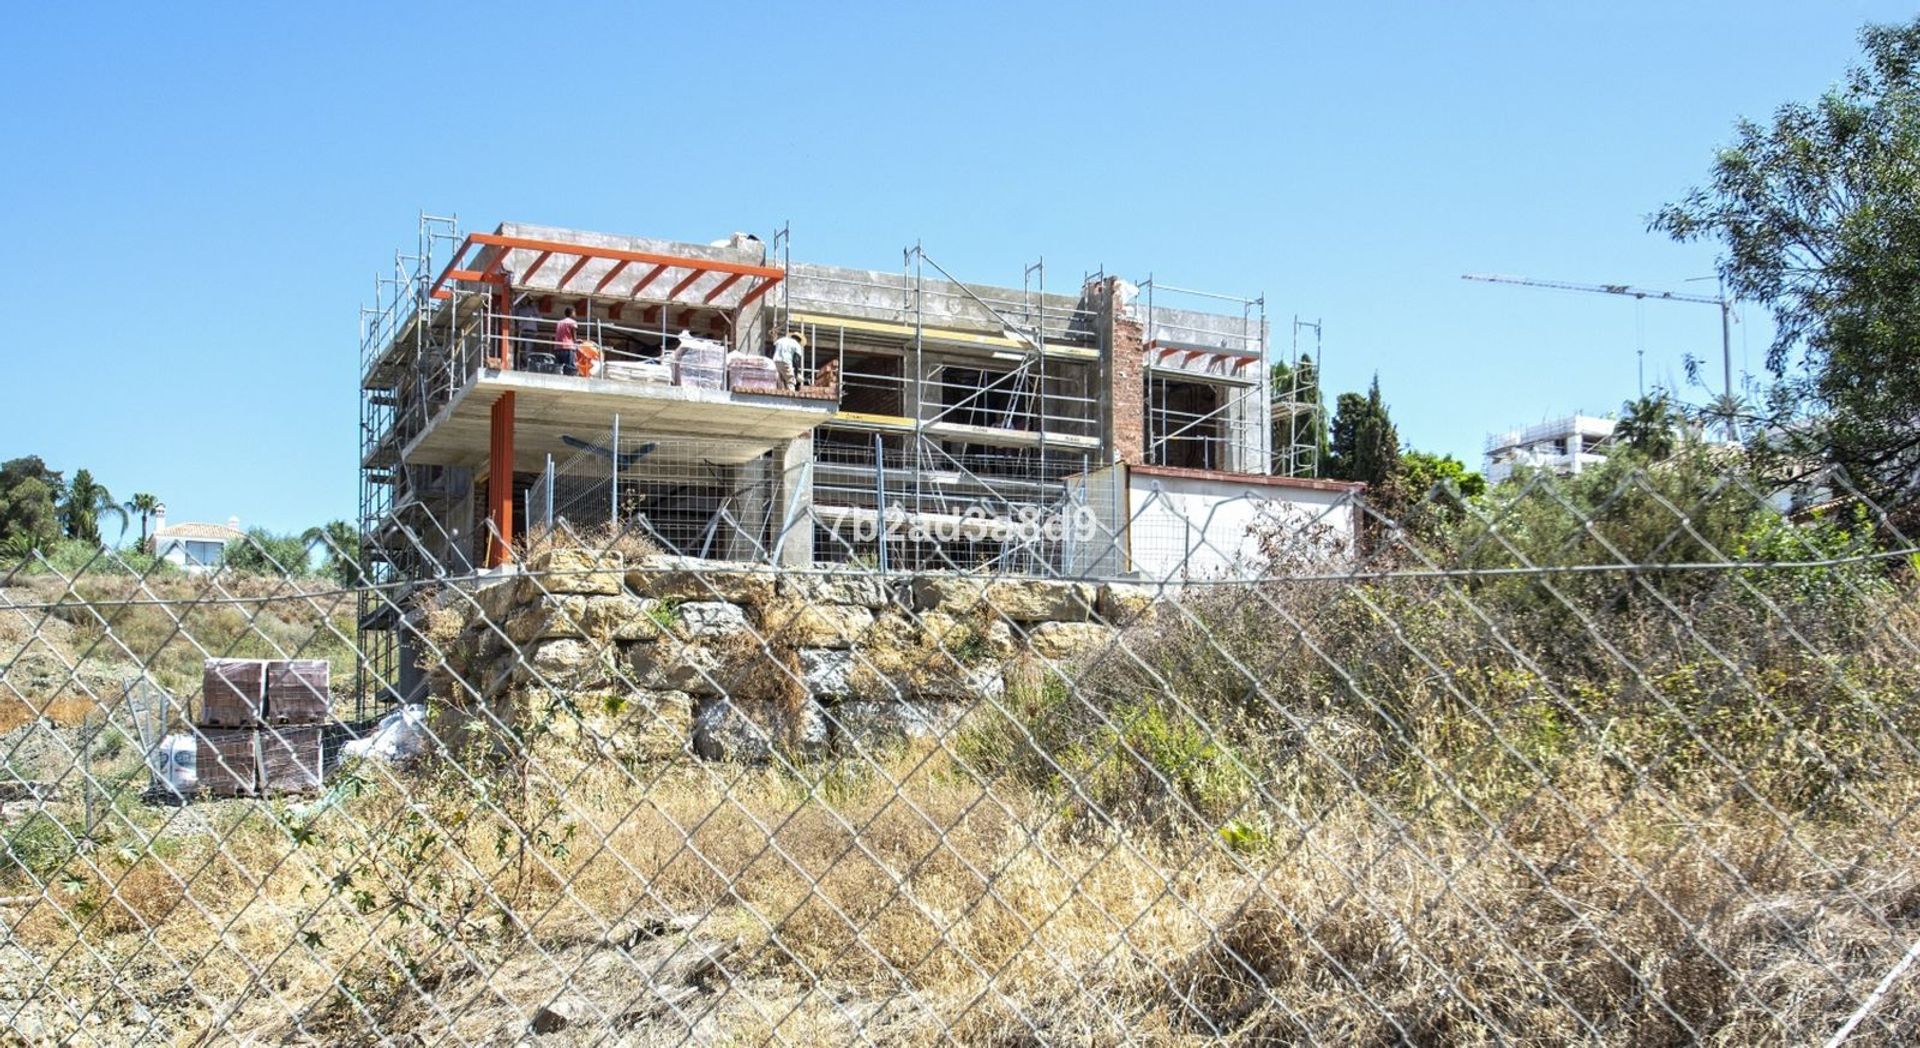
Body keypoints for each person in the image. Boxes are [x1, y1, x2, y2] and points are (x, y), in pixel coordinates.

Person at [554, 306, 578, 374]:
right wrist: (576, 342)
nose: (575, 314)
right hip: (568, 348)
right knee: (569, 368)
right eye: (574, 312)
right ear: (572, 313)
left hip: (558, 347)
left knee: (558, 368)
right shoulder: (572, 322)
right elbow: (574, 335)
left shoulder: (559, 322)